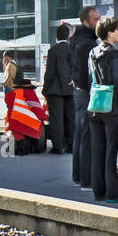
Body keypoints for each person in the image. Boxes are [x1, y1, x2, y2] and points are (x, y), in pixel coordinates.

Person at [88, 18, 118, 204]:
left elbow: (90, 79)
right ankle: (115, 193)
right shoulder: (115, 56)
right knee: (113, 152)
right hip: (113, 108)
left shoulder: (93, 53)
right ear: (109, 33)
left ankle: (98, 191)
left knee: (98, 151)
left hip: (95, 106)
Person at [68, 6, 100, 188]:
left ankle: (77, 175)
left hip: (78, 91)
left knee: (80, 135)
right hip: (86, 92)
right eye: (95, 19)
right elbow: (85, 72)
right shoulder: (87, 43)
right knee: (87, 136)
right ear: (85, 22)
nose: (98, 22)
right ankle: (86, 179)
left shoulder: (76, 40)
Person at [43, 25, 75, 154]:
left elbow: (50, 73)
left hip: (55, 90)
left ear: (57, 36)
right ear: (68, 36)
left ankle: (58, 146)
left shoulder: (53, 51)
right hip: (70, 89)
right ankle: (71, 145)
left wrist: (45, 88)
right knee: (70, 118)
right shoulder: (73, 50)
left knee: (56, 119)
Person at [4, 76, 48, 155]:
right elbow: (36, 108)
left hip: (12, 123)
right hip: (27, 123)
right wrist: (45, 117)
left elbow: (8, 102)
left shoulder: (11, 94)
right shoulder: (29, 93)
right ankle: (32, 147)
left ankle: (12, 147)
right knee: (40, 125)